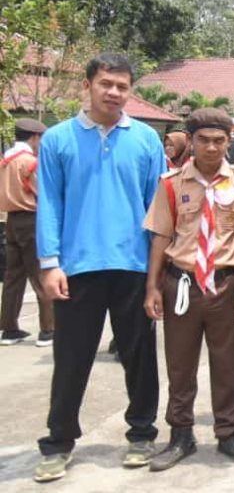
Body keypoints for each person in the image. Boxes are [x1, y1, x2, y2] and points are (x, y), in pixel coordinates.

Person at [32, 53, 168, 483]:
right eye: (106, 83)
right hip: (77, 267)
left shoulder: (146, 140)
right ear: (87, 85)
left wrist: (155, 274)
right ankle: (58, 442)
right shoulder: (58, 139)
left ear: (131, 91)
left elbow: (158, 209)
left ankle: (142, 433)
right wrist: (50, 263)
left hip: (133, 265)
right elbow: (49, 204)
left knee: (140, 356)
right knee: (71, 358)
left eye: (122, 86)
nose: (113, 92)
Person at [142, 109, 234, 471]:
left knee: (228, 364)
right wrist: (152, 288)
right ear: (190, 141)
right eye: (204, 140)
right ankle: (180, 434)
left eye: (219, 140)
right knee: (180, 364)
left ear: (228, 142)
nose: (212, 147)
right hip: (183, 284)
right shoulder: (172, 184)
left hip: (226, 284)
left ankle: (229, 432)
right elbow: (162, 236)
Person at [0, 118, 53, 347]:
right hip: (31, 220)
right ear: (34, 137)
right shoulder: (29, 162)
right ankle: (48, 329)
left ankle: (9, 328)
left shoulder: (5, 161)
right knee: (40, 273)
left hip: (10, 221)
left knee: (13, 277)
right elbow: (42, 192)